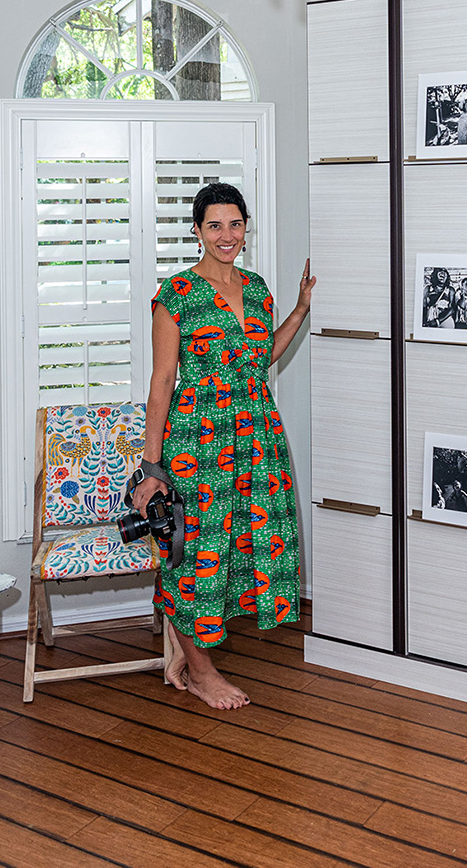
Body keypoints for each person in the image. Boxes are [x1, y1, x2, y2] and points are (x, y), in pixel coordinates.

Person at [135, 182, 315, 710]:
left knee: (244, 549)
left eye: (235, 224)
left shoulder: (257, 289)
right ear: (196, 230)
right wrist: (150, 467)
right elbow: (162, 380)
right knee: (195, 557)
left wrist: (300, 311)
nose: (226, 235)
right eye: (214, 225)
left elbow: (261, 358)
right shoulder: (177, 296)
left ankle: (181, 653)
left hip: (257, 438)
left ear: (245, 227)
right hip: (198, 445)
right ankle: (201, 671)